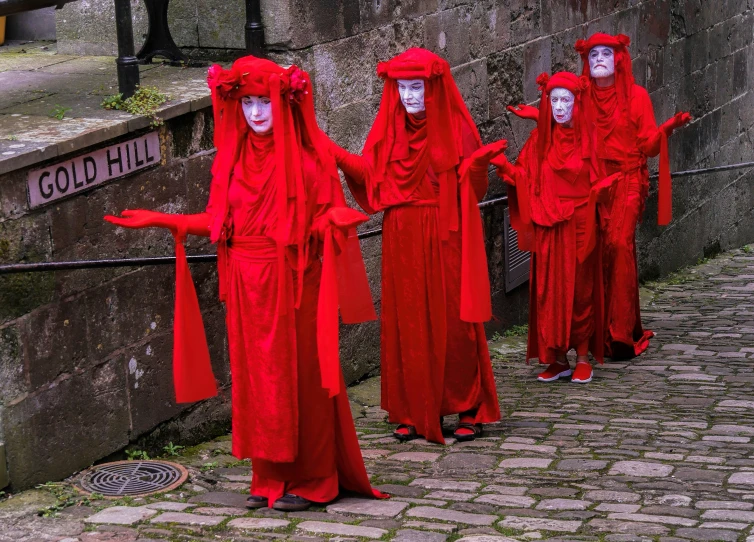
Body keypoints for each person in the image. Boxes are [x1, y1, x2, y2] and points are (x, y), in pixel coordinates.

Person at [105, 56, 387, 512]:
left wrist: (333, 220)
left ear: (284, 103)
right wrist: (164, 219)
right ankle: (270, 476)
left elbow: (327, 211)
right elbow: (221, 222)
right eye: (248, 102)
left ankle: (317, 479)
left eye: (265, 102)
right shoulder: (233, 160)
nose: (255, 112)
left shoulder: (309, 158)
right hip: (246, 285)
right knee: (258, 383)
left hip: (295, 283)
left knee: (304, 377)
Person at [327, 48, 502, 443]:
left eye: (416, 87)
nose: (408, 96)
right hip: (402, 234)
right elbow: (370, 177)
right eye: (401, 88)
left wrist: (476, 167)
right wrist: (333, 152)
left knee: (455, 323)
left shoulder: (457, 127)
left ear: (433, 87)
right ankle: (412, 408)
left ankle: (469, 405)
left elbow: (474, 190)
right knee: (408, 322)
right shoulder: (389, 129)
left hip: (446, 232)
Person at [494, 72, 617, 384]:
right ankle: (558, 358)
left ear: (577, 103)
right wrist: (504, 167)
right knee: (550, 292)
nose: (560, 106)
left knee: (580, 291)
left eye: (566, 100)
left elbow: (603, 178)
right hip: (549, 225)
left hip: (580, 224)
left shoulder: (590, 139)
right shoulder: (540, 140)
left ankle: (584, 356)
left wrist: (601, 192)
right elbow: (525, 176)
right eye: (554, 100)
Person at [575, 33, 691, 359]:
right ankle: (604, 329)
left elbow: (649, 147)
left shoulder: (637, 96)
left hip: (627, 179)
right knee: (598, 250)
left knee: (618, 243)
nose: (599, 58)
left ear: (619, 59)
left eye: (606, 53)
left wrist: (665, 129)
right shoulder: (581, 98)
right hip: (594, 184)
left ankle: (620, 335)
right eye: (593, 53)